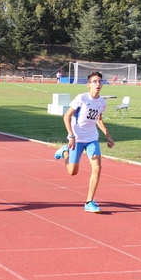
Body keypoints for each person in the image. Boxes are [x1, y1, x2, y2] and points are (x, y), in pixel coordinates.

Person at [53, 71, 115, 213]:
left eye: (100, 81)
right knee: (72, 172)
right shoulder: (81, 98)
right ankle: (64, 152)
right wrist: (71, 136)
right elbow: (66, 117)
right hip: (77, 138)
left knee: (97, 167)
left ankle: (89, 202)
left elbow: (99, 119)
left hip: (92, 138)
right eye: (94, 81)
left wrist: (108, 135)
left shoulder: (102, 102)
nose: (98, 84)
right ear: (88, 85)